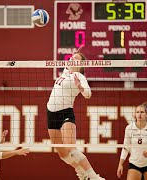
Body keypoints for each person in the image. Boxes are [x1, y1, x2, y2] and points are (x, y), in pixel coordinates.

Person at [46, 45, 105, 180]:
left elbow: (88, 94)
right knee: (62, 154)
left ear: (81, 65)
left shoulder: (79, 76)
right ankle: (80, 171)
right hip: (51, 114)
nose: (72, 59)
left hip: (65, 113)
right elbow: (70, 61)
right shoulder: (65, 72)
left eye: (76, 59)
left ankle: (94, 177)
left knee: (71, 149)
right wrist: (75, 55)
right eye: (71, 58)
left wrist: (80, 87)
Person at [116, 105, 147, 180]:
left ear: (146, 115)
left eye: (142, 112)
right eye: (137, 112)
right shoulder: (129, 128)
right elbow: (125, 148)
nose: (139, 114)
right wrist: (120, 164)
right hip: (134, 164)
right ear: (135, 114)